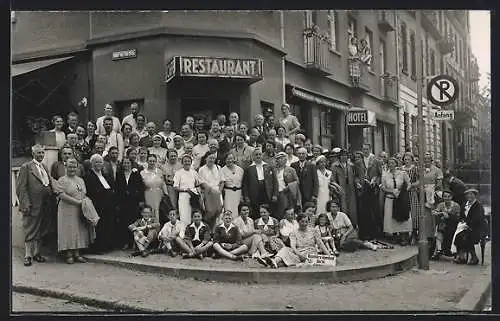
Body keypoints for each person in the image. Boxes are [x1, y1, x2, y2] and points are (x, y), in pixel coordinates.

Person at [17, 145, 54, 266]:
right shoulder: (26, 167)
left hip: (45, 203)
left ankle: (37, 253)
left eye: (42, 153)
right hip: (33, 204)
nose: (41, 155)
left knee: (42, 228)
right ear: (33, 154)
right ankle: (28, 255)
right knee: (30, 228)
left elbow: (49, 181)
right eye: (38, 153)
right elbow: (21, 188)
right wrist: (25, 204)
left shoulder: (44, 166)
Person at [256, 213, 330, 268]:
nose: (304, 224)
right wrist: (299, 254)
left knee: (294, 262)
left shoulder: (313, 231)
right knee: (285, 249)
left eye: (306, 221)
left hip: (310, 253)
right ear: (298, 222)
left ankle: (270, 263)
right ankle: (274, 262)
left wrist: (329, 256)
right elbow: (293, 246)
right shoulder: (293, 232)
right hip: (298, 253)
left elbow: (320, 244)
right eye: (302, 221)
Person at [54, 158, 92, 264]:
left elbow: (84, 192)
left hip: (79, 208)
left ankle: (77, 253)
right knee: (68, 230)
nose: (72, 169)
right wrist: (76, 202)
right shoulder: (62, 180)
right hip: (66, 208)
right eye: (70, 167)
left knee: (78, 230)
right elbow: (61, 195)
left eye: (74, 167)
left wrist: (83, 202)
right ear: (66, 167)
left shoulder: (80, 180)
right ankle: (69, 254)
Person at [84, 153, 117, 253]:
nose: (98, 164)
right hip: (97, 205)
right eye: (96, 162)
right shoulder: (89, 175)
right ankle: (97, 247)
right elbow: (92, 191)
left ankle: (105, 245)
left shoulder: (104, 175)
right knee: (99, 227)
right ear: (92, 163)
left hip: (107, 205)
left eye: (100, 162)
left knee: (107, 225)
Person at [116, 157, 145, 250]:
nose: (126, 165)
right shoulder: (119, 174)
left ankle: (134, 242)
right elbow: (117, 188)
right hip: (123, 202)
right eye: (124, 163)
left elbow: (141, 188)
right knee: (124, 222)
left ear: (131, 164)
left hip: (134, 202)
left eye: (128, 163)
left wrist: (141, 200)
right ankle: (125, 242)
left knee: (134, 221)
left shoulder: (136, 174)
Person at [381, 157, 412, 245]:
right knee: (390, 218)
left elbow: (409, 184)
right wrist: (392, 191)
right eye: (389, 163)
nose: (391, 165)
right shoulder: (385, 175)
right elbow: (383, 187)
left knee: (403, 217)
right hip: (390, 198)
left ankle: (404, 237)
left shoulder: (402, 173)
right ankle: (394, 236)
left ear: (396, 164)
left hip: (401, 199)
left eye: (393, 163)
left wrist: (403, 192)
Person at [452, 188, 485, 265]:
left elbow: (478, 219)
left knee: (465, 236)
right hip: (466, 226)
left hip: (477, 228)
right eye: (467, 194)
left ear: (475, 195)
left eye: (471, 194)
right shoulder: (464, 205)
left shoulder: (478, 206)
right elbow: (461, 216)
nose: (469, 196)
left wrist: (468, 224)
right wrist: (462, 221)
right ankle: (462, 256)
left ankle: (474, 257)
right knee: (457, 234)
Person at [243, 148, 279, 220]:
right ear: (253, 156)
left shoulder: (268, 166)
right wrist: (246, 197)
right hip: (254, 194)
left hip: (266, 192)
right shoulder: (249, 169)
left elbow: (275, 182)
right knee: (256, 212)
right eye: (256, 155)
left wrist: (275, 194)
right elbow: (245, 184)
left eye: (260, 154)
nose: (258, 156)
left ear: (262, 156)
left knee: (267, 210)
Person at [352, 151, 378, 241]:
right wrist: (357, 182)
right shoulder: (357, 164)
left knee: (372, 212)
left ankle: (373, 234)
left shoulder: (375, 162)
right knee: (363, 212)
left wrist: (375, 181)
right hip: (362, 190)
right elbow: (355, 176)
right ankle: (364, 234)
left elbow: (378, 175)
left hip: (372, 189)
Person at [331, 148, 358, 227]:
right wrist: (337, 187)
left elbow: (355, 176)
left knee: (352, 207)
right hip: (340, 188)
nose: (344, 157)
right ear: (339, 156)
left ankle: (353, 226)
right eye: (342, 155)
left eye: (345, 155)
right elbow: (332, 179)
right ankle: (343, 226)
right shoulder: (335, 166)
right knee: (343, 207)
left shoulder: (351, 165)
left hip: (350, 188)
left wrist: (357, 183)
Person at [422, 152, 444, 246]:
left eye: (428, 159)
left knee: (433, 214)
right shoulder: (421, 169)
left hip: (433, 193)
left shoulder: (437, 170)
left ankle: (434, 236)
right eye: (425, 159)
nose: (426, 160)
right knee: (425, 215)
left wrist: (433, 191)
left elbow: (439, 183)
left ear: (431, 160)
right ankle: (426, 234)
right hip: (423, 193)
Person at [431, 190, 460, 260]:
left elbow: (458, 217)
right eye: (445, 196)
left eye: (448, 196)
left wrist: (449, 216)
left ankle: (448, 250)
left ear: (451, 197)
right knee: (439, 230)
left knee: (445, 229)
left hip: (453, 225)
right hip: (443, 225)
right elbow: (434, 212)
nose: (446, 198)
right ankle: (439, 249)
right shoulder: (441, 205)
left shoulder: (456, 205)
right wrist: (441, 213)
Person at [198, 151, 224, 229]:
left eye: (213, 158)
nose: (212, 160)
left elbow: (222, 181)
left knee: (219, 211)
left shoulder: (218, 167)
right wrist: (211, 190)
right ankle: (208, 230)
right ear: (206, 158)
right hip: (208, 192)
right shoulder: (202, 169)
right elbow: (201, 183)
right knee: (209, 211)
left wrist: (219, 191)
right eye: (210, 158)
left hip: (217, 191)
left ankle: (216, 231)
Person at [173, 155, 201, 225]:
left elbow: (197, 185)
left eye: (189, 161)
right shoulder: (178, 173)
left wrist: (197, 193)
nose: (187, 163)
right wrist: (186, 190)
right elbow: (175, 187)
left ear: (191, 162)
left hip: (193, 196)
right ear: (182, 163)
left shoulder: (194, 172)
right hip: (183, 196)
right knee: (184, 216)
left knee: (194, 215)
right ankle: (184, 233)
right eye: (185, 161)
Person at [140, 154, 168, 223]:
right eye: (150, 161)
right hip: (148, 194)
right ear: (147, 161)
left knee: (159, 212)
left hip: (159, 195)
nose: (152, 162)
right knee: (149, 212)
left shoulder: (159, 171)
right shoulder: (142, 173)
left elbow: (163, 183)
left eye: (153, 161)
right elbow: (141, 187)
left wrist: (166, 194)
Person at [274, 152, 301, 220]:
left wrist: (289, 186)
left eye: (281, 159)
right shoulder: (274, 170)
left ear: (285, 160)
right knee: (277, 211)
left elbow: (297, 181)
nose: (279, 160)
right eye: (278, 159)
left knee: (286, 210)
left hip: (286, 193)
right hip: (276, 193)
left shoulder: (291, 170)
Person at [221, 153, 244, 220]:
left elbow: (243, 183)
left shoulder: (240, 170)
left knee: (238, 210)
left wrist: (243, 195)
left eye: (231, 158)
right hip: (228, 193)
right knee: (228, 210)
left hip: (239, 193)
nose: (229, 160)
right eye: (227, 159)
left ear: (234, 159)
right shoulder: (222, 170)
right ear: (225, 160)